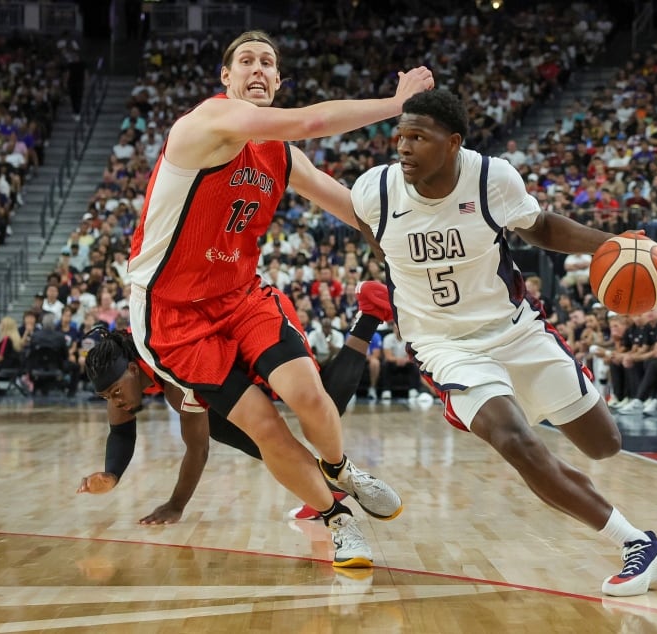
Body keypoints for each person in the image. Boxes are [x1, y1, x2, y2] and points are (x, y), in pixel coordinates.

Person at [126, 30, 434, 569]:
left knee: (309, 395)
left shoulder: (279, 154)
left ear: (279, 80)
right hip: (172, 315)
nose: (258, 69)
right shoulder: (207, 122)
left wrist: (411, 246)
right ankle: (337, 517)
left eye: (268, 62)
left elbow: (350, 207)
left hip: (240, 296)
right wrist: (396, 104)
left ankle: (340, 468)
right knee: (263, 425)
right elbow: (312, 121)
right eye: (246, 61)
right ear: (226, 78)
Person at [350, 90, 657, 597]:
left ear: (453, 143)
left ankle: (520, 404)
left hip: (516, 329)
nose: (404, 147)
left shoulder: (491, 178)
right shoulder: (376, 191)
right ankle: (637, 543)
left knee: (604, 444)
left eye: (418, 137)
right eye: (400, 137)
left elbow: (539, 226)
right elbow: (382, 243)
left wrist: (610, 245)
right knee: (518, 443)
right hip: (443, 344)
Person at [77, 282, 393, 524]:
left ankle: (369, 312)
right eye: (108, 397)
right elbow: (120, 433)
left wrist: (176, 505)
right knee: (252, 437)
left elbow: (197, 449)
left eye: (115, 393)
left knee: (320, 404)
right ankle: (325, 487)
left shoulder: (173, 376)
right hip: (218, 350)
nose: (115, 402)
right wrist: (111, 474)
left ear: (133, 370)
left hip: (246, 319)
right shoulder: (118, 371)